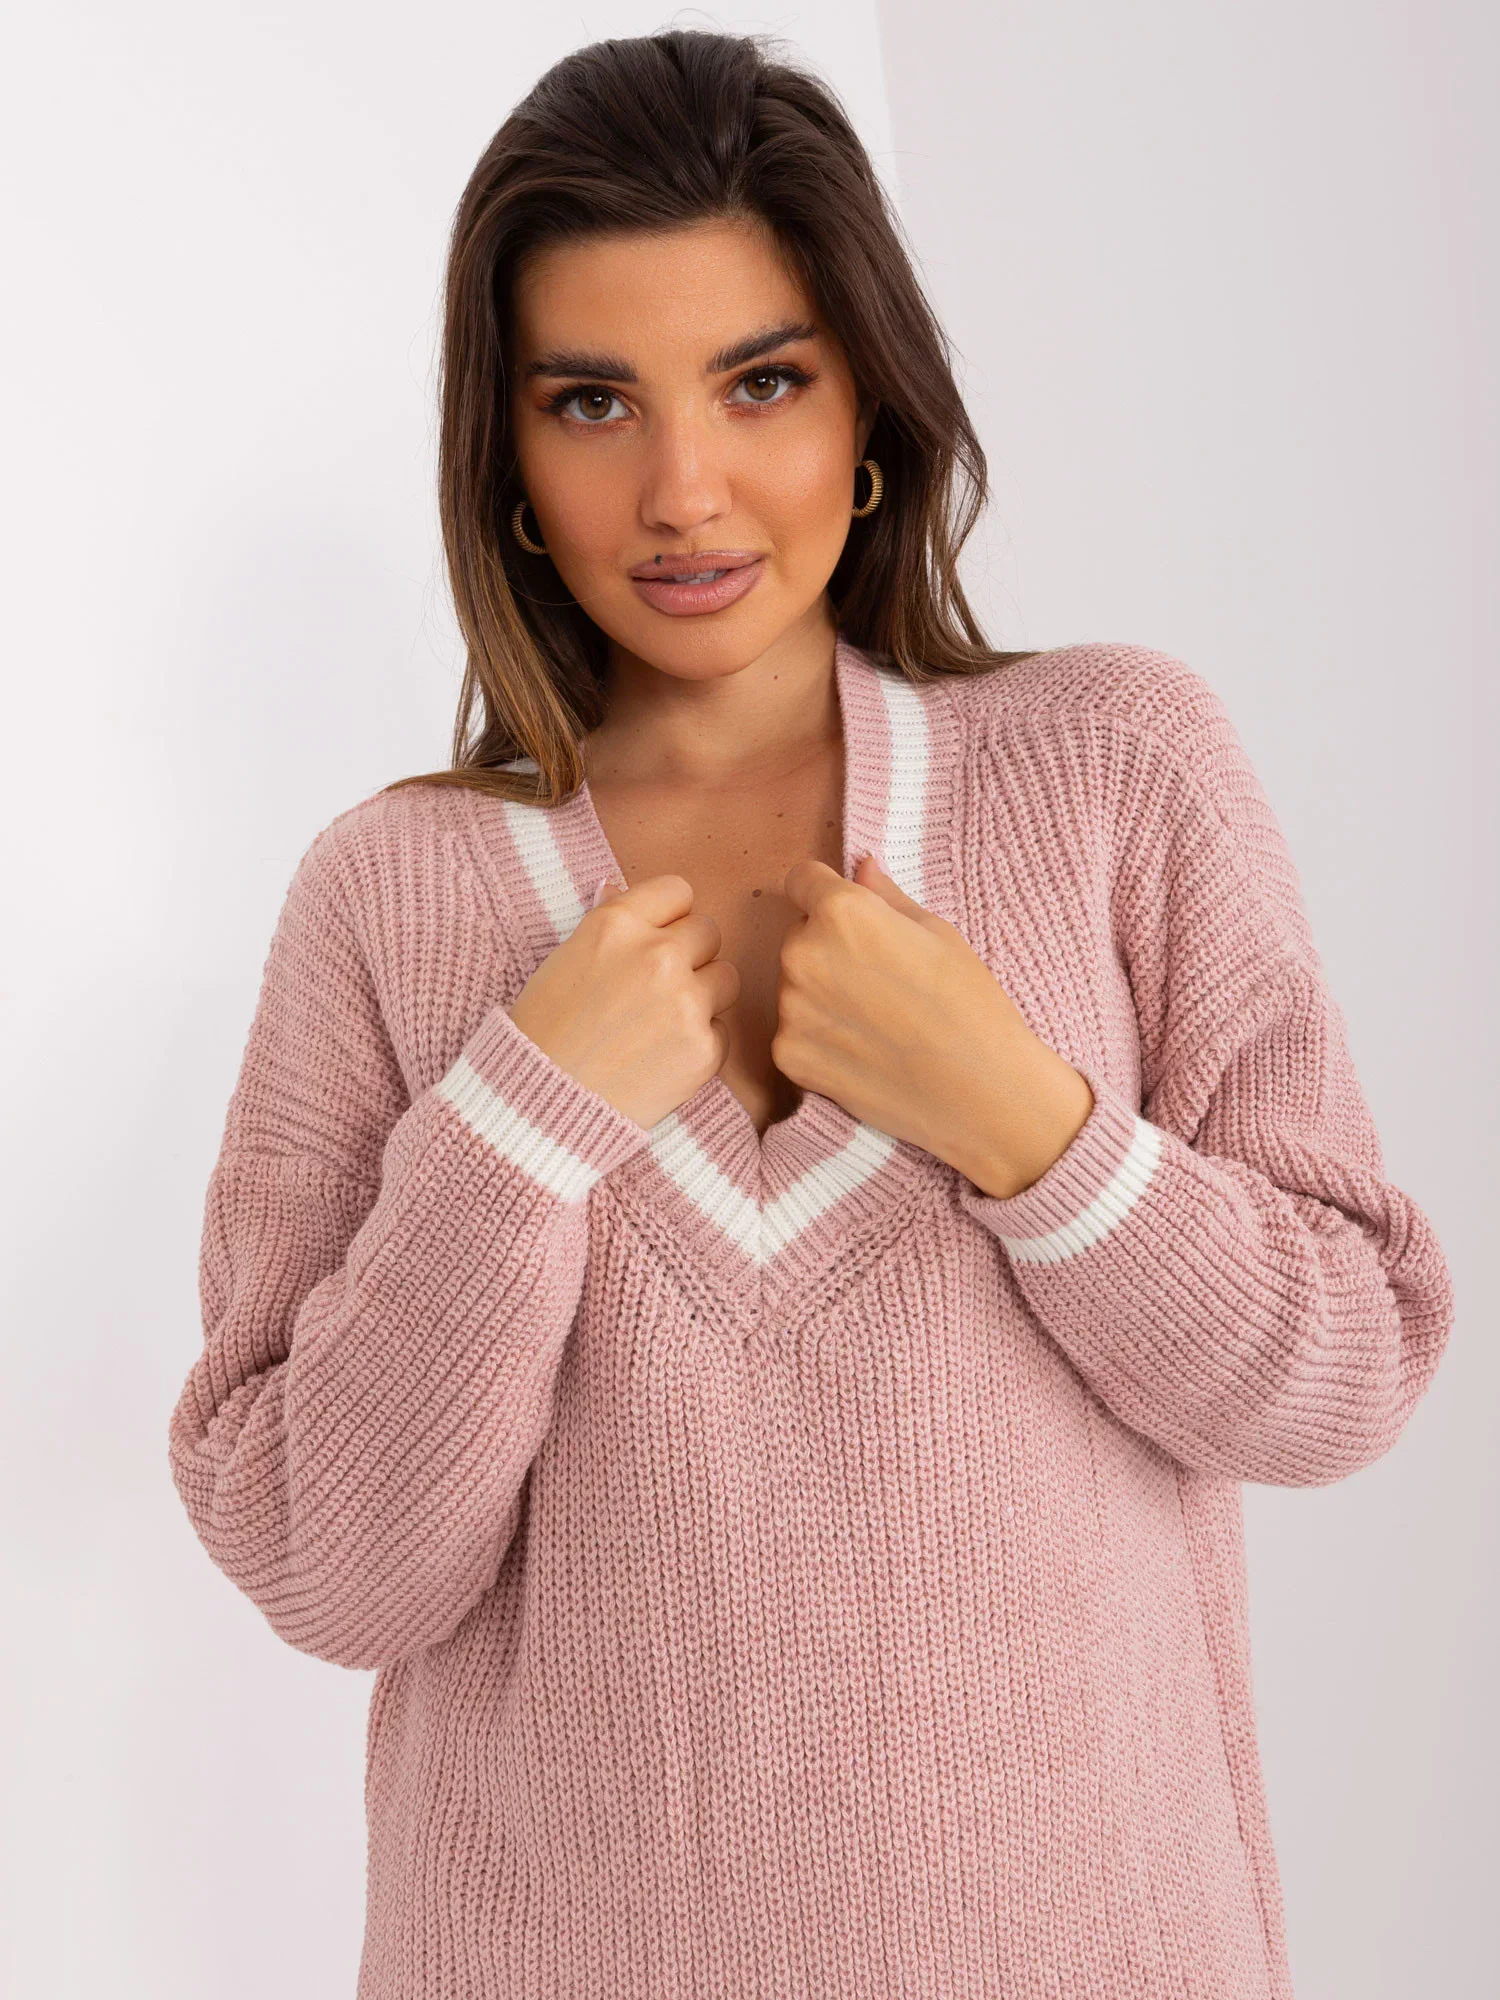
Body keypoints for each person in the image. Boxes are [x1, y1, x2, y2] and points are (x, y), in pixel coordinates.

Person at [166, 28, 1455, 2000]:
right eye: (592, 401)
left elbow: (1348, 1372)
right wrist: (515, 1129)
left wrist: (1028, 1124)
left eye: (758, 381)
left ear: (870, 409)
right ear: (508, 463)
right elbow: (333, 1568)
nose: (683, 490)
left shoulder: (1115, 768)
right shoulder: (391, 894)